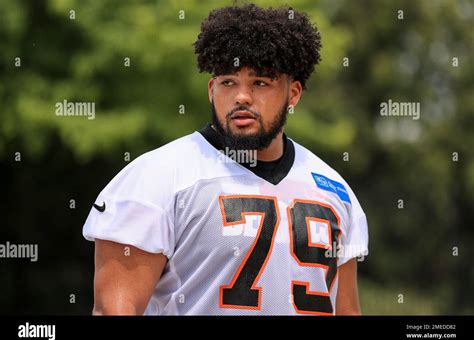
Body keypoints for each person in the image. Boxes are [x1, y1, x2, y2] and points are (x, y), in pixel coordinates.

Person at [83, 3, 368, 315]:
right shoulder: (156, 178)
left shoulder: (335, 191)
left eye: (260, 82)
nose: (241, 96)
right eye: (228, 82)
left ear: (294, 93)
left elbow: (347, 312)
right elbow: (114, 312)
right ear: (211, 89)